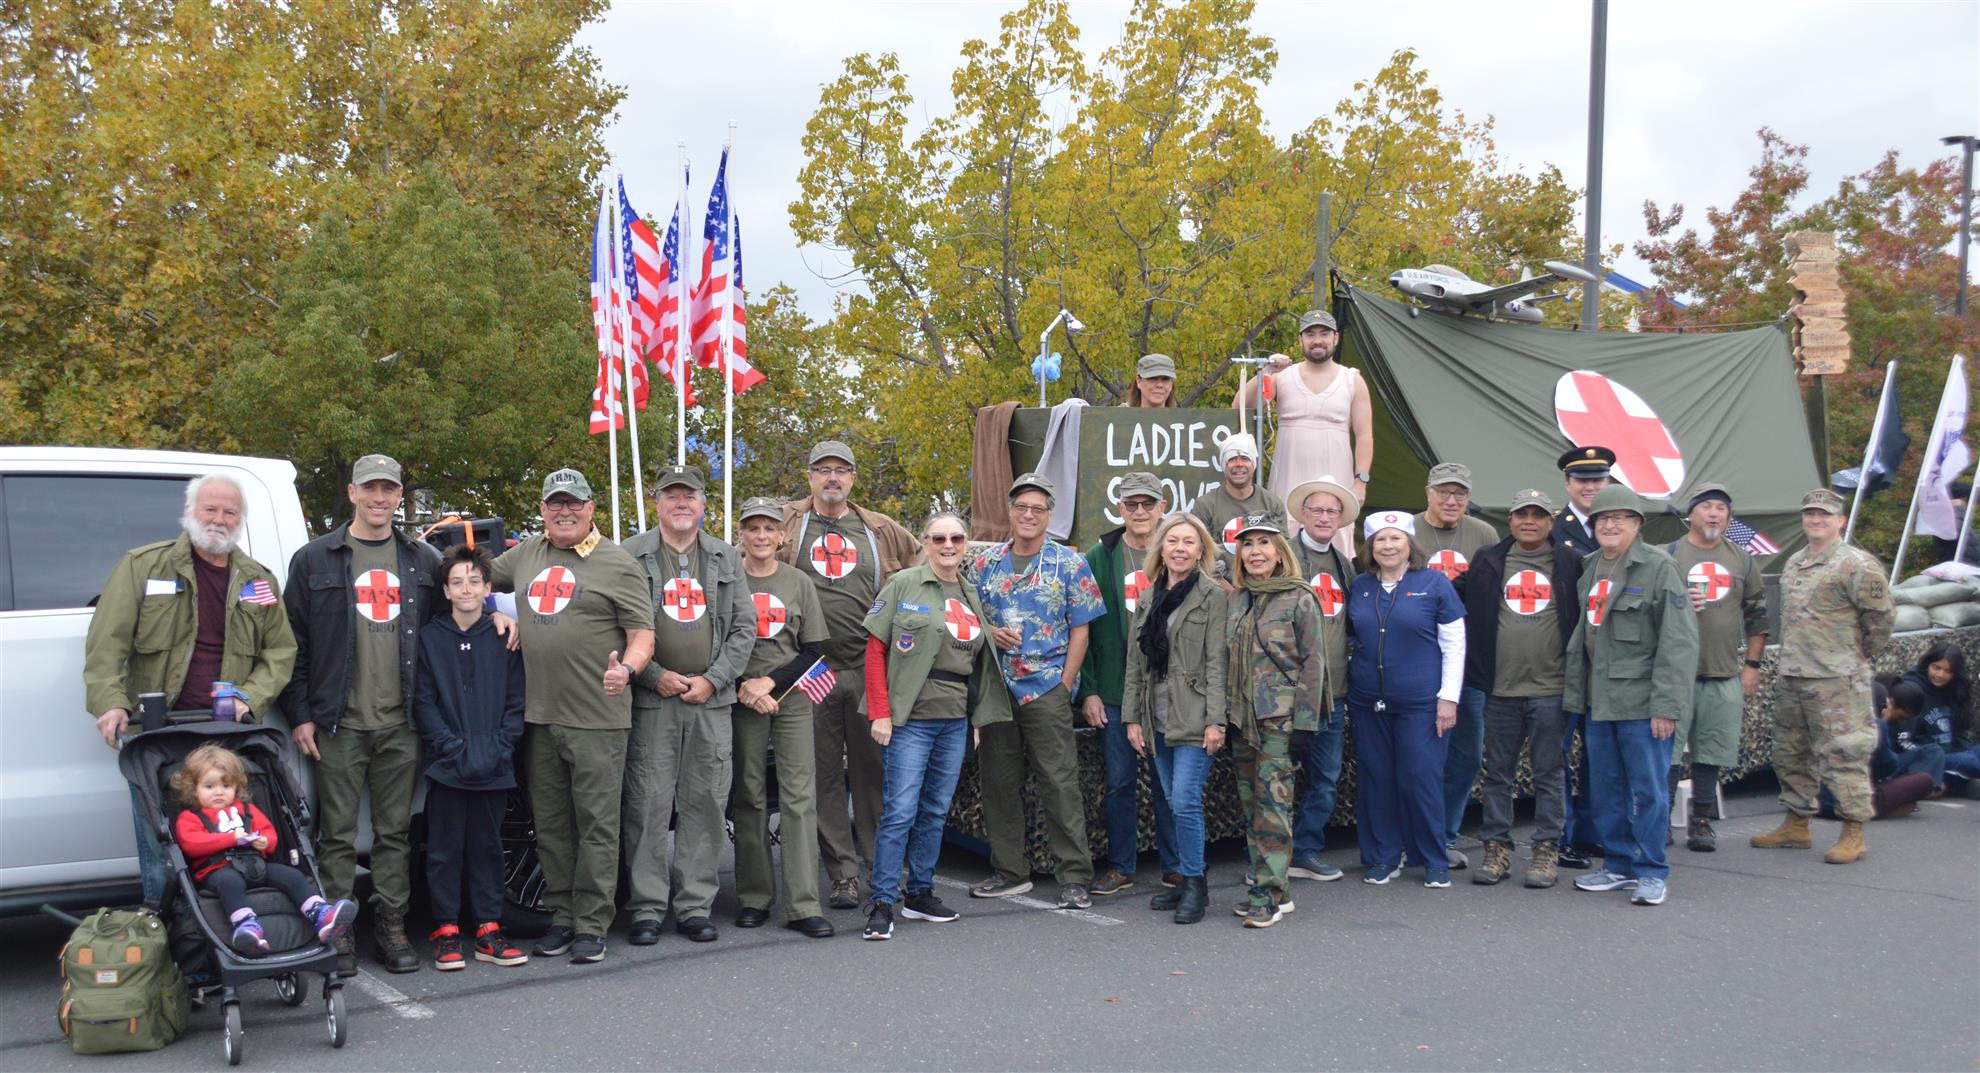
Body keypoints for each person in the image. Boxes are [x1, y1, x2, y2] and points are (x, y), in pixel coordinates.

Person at [84, 474, 297, 911]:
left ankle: (224, 941)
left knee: (230, 843)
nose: (219, 519)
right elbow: (108, 642)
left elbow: (281, 651)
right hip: (159, 734)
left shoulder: (257, 580)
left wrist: (249, 699)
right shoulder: (143, 566)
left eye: (230, 512)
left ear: (241, 520)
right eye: (210, 509)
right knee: (163, 849)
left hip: (227, 734)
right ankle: (171, 943)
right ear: (190, 512)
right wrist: (111, 702)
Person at [278, 454, 443, 974]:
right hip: (339, 722)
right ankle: (339, 929)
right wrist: (300, 713)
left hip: (403, 722)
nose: (379, 498)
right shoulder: (314, 560)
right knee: (337, 836)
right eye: (369, 488)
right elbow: (292, 644)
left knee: (395, 833)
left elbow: (447, 631)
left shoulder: (424, 561)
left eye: (388, 490)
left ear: (399, 497)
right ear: (352, 493)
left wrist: (502, 624)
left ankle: (391, 926)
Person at [490, 468, 656, 964]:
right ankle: (561, 918)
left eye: (574, 503)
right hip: (539, 718)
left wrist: (626, 670)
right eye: (555, 503)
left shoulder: (617, 563)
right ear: (542, 509)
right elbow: (469, 582)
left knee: (597, 827)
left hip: (598, 718)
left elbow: (642, 634)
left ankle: (592, 924)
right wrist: (492, 613)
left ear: (591, 508)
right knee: (552, 826)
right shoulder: (525, 555)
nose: (565, 511)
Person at [779, 441, 920, 910]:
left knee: (872, 773)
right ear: (810, 476)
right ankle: (842, 874)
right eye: (823, 470)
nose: (832, 478)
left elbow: (925, 568)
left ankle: (883, 869)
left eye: (842, 470)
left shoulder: (879, 529)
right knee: (821, 777)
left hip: (867, 667)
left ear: (854, 478)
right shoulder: (785, 524)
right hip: (812, 669)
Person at [620, 465, 755, 946]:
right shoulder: (629, 554)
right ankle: (646, 909)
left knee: (705, 806)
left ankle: (695, 906)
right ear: (657, 500)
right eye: (672, 495)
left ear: (703, 504)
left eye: (690, 496)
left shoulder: (723, 556)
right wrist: (654, 676)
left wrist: (713, 679)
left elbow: (744, 628)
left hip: (709, 702)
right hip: (652, 702)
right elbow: (613, 624)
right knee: (647, 806)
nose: (682, 503)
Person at [860, 512, 1010, 940]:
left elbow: (979, 664)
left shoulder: (969, 592)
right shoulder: (904, 584)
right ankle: (883, 901)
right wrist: (880, 712)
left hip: (954, 720)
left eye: (957, 538)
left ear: (966, 543)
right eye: (939, 537)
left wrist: (977, 718)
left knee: (934, 811)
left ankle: (920, 893)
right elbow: (875, 649)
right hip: (910, 718)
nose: (948, 545)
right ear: (925, 542)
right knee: (900, 812)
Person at [966, 473, 1106, 908]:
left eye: (1038, 509)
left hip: (1046, 685)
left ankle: (1075, 876)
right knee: (999, 781)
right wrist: (989, 629)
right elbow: (965, 616)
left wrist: (1065, 684)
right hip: (996, 686)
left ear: (1049, 515)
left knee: (1059, 782)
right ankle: (1010, 871)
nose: (1028, 515)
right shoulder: (984, 563)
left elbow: (1082, 630)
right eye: (1021, 507)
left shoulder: (1069, 564)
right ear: (1010, 511)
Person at [1565, 486, 1699, 907]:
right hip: (1600, 701)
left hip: (1643, 704)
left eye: (1620, 518)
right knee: (1605, 789)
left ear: (1638, 524)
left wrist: (1666, 706)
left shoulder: (1659, 567)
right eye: (1602, 519)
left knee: (1648, 790)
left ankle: (1651, 870)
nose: (1609, 524)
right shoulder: (1590, 566)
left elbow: (1678, 643)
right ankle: (1619, 864)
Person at [1750, 489, 1894, 865]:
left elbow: (1880, 619)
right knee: (1790, 752)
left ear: (1840, 521)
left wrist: (1857, 654)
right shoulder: (1797, 561)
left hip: (1836, 678)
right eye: (1810, 514)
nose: (1816, 520)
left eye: (1824, 515)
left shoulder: (1856, 565)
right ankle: (1796, 823)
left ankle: (1853, 831)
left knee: (1844, 753)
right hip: (1795, 672)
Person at [411, 544, 529, 971]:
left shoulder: (504, 636)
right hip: (447, 765)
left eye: (473, 581)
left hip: (493, 765)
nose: (465, 588)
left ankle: (487, 929)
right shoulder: (430, 639)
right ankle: (445, 930)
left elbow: (516, 702)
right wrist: (448, 746)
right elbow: (423, 701)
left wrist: (501, 745)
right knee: (443, 850)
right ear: (445, 589)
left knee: (486, 848)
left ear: (487, 588)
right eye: (457, 581)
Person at [1464, 490, 1582, 888]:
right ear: (1510, 520)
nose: (1528, 521)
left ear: (1551, 521)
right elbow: (1453, 595)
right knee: (1498, 773)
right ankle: (1497, 847)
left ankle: (1547, 848)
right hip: (1499, 688)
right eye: (1520, 514)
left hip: (1552, 688)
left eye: (1537, 514)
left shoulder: (1570, 562)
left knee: (1550, 772)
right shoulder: (1489, 560)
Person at [730, 497, 833, 938]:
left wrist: (770, 684)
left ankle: (803, 904)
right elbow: (713, 644)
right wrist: (744, 688)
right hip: (739, 696)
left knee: (798, 796)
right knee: (749, 796)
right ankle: (754, 896)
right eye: (753, 528)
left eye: (769, 529)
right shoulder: (727, 580)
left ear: (782, 535)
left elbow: (813, 650)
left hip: (788, 695)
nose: (762, 536)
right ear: (742, 535)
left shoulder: (798, 583)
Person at [1346, 511, 1464, 889]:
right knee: (1376, 780)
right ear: (1370, 547)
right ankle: (1383, 856)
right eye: (1380, 539)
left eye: (1395, 538)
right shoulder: (1361, 586)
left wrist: (1448, 698)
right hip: (1368, 702)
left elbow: (1454, 644)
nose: (1388, 546)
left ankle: (1433, 858)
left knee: (1420, 779)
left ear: (1410, 544)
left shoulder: (1434, 583)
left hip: (1421, 703)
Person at [1078, 472, 1181, 896]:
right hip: (1117, 688)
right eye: (1131, 504)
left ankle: (1175, 865)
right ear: (1119, 508)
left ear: (1162, 508)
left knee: (1167, 782)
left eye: (1148, 504)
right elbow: (1080, 627)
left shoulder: (1177, 554)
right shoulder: (1100, 558)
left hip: (1167, 691)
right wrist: (1090, 689)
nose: (1139, 512)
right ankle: (1121, 865)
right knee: (1120, 782)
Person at [1121, 512, 1226, 924]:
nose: (1180, 548)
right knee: (1169, 800)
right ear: (1160, 548)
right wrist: (1132, 718)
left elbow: (1218, 662)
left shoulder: (1213, 596)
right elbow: (1135, 663)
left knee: (1184, 801)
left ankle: (1195, 884)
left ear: (1201, 550)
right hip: (1155, 713)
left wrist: (1217, 720)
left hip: (1195, 715)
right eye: (1173, 541)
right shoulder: (1149, 597)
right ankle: (1185, 878)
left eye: (1189, 542)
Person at [1224, 515, 1325, 926]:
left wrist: (1305, 725)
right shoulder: (1236, 599)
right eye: (1247, 545)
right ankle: (1278, 891)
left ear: (1280, 552)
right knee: (1252, 808)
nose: (1255, 552)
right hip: (1242, 718)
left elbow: (1314, 664)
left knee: (1273, 808)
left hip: (1281, 720)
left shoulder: (1300, 598)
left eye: (1264, 543)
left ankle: (1264, 896)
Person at [170, 743, 355, 955]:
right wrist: (230, 839)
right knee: (231, 882)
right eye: (210, 787)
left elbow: (269, 833)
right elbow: (191, 843)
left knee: (291, 875)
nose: (219, 792)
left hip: (256, 865)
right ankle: (247, 927)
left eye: (226, 786)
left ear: (237, 788)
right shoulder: (191, 817)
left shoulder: (247, 810)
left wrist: (265, 842)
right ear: (193, 789)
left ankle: (322, 915)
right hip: (217, 872)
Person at [1664, 482, 1768, 851]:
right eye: (1706, 506)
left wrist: (1752, 665)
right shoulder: (1668, 555)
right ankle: (1660, 820)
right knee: (1667, 753)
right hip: (1675, 677)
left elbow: (1757, 615)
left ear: (1729, 517)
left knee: (1711, 752)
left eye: (1721, 508)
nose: (1713, 513)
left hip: (1723, 672)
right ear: (1690, 513)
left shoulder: (1742, 558)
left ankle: (1702, 821)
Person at [1412, 461, 1499, 867]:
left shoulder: (1484, 535)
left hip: (1469, 659)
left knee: (1466, 754)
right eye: (1443, 491)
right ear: (1427, 492)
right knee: (1418, 752)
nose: (1451, 500)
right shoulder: (1407, 530)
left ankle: (1444, 833)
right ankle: (1411, 832)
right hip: (1416, 655)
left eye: (1459, 493)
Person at [1242, 309, 1373, 557]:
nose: (1317, 340)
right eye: (1310, 334)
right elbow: (1241, 405)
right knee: (1283, 547)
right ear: (1301, 339)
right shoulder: (1282, 377)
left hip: (1336, 483)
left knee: (1335, 548)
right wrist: (1266, 371)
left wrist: (1361, 482)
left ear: (1335, 338)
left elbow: (1365, 435)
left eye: (1324, 333)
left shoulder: (1352, 380)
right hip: (1288, 482)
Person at [1284, 476, 1361, 883]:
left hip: (1335, 692)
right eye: (1317, 509)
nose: (1325, 517)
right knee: (1277, 777)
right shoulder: (1284, 557)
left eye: (1333, 511)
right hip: (1288, 692)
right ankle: (1270, 855)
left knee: (1325, 779)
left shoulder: (1344, 565)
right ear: (1303, 514)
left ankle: (1306, 850)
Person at [1550, 445, 1617, 869]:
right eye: (1582, 480)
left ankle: (1596, 832)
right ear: (1568, 484)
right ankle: (1561, 836)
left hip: (1609, 661)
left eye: (1598, 479)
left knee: (1601, 754)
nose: (1590, 486)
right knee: (1556, 755)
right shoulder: (1554, 529)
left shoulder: (1621, 526)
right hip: (1562, 658)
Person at [1190, 433, 1287, 577]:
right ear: (1224, 465)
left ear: (1253, 464)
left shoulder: (1272, 504)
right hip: (1219, 589)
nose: (1239, 464)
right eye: (1232, 459)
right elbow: (1197, 556)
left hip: (1266, 585)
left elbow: (1284, 553)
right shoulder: (1205, 505)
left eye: (1245, 458)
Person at [1900, 643, 1978, 791]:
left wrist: (1965, 750)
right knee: (1969, 762)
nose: (1940, 675)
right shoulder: (1913, 691)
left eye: (1948, 671)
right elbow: (1903, 739)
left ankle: (1962, 779)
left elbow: (1960, 733)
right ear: (1927, 665)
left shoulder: (1955, 690)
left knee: (1972, 756)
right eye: (1936, 667)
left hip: (1953, 755)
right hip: (1930, 759)